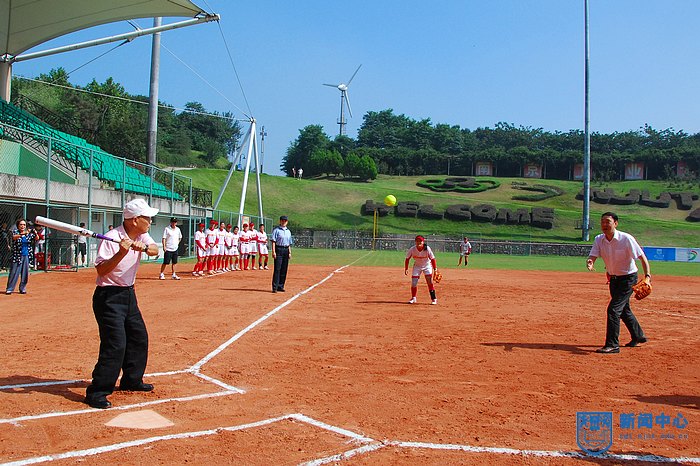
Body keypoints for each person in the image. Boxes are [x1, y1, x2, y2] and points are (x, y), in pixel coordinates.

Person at [84, 198, 160, 409]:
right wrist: (121, 252)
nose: (150, 221)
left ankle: (132, 380)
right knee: (115, 344)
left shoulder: (141, 235)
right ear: (135, 220)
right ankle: (97, 391)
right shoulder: (111, 238)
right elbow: (101, 270)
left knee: (138, 338)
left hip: (129, 294)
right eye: (147, 218)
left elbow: (155, 250)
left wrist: (144, 248)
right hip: (108, 297)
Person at [586, 211, 650, 354]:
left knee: (613, 310)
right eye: (602, 222)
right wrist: (590, 261)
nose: (604, 224)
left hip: (628, 279)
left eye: (608, 222)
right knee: (624, 310)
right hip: (613, 279)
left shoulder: (626, 239)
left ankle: (612, 345)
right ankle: (638, 336)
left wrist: (647, 276)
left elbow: (642, 257)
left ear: (615, 223)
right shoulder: (599, 239)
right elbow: (593, 255)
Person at [5, 219, 37, 295]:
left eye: (24, 225)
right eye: (21, 225)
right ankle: (9, 289)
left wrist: (35, 232)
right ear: (18, 225)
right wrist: (24, 233)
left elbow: (37, 238)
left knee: (25, 273)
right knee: (14, 273)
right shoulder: (15, 232)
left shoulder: (28, 234)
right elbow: (14, 237)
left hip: (26, 255)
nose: (22, 226)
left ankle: (22, 288)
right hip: (17, 255)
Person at [404, 235, 438, 305]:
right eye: (417, 241)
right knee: (414, 283)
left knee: (429, 282)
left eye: (420, 241)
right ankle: (413, 298)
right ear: (415, 242)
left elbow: (432, 259)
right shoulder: (412, 249)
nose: (419, 242)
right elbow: (407, 259)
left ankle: (433, 299)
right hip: (417, 266)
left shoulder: (427, 249)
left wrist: (435, 269)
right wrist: (406, 268)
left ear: (423, 242)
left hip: (427, 266)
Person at [271, 215, 292, 293]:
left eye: (285, 221)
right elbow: (273, 241)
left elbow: (289, 243)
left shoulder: (288, 231)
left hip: (286, 249)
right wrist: (273, 251)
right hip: (279, 249)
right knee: (277, 268)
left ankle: (281, 285)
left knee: (284, 269)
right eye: (282, 220)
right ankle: (275, 287)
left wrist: (289, 252)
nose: (284, 222)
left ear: (287, 222)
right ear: (280, 221)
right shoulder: (276, 230)